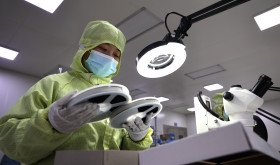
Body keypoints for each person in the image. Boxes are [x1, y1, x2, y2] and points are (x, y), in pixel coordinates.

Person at [0, 21, 153, 165]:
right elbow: (8, 138)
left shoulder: (119, 99)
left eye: (116, 55)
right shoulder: (53, 83)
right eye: (103, 49)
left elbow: (126, 156)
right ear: (86, 48)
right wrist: (50, 124)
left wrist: (136, 139)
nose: (109, 58)